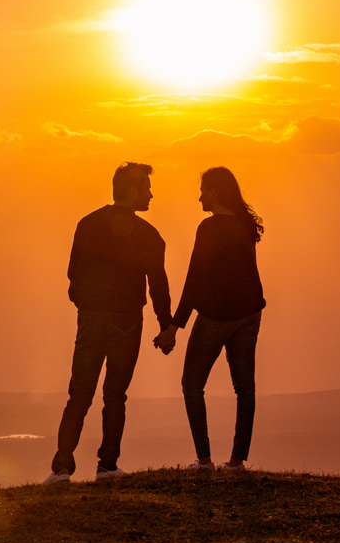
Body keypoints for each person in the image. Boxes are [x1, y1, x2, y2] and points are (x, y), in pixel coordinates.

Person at [44, 162, 175, 484]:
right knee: (115, 395)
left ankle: (61, 467)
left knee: (79, 394)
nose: (151, 194)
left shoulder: (87, 223)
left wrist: (86, 305)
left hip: (90, 318)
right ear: (132, 191)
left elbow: (73, 275)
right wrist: (166, 324)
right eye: (146, 187)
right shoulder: (149, 235)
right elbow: (158, 283)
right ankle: (107, 465)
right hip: (126, 319)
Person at [156, 167, 265, 471]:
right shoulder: (245, 225)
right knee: (245, 389)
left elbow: (194, 280)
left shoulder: (209, 228)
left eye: (203, 189)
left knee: (192, 384)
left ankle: (204, 460)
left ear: (215, 191)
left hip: (217, 316)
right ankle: (236, 462)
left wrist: (174, 327)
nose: (200, 196)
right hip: (250, 313)